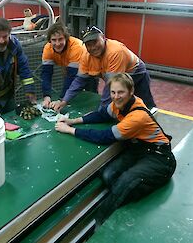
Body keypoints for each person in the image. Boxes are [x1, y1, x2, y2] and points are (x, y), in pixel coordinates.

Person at [55, 73, 176, 224]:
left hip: (160, 158)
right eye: (113, 92)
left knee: (124, 183)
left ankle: (98, 223)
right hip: (139, 150)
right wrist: (73, 121)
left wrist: (70, 130)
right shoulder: (119, 105)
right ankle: (126, 191)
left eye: (121, 92)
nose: (116, 96)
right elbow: (100, 115)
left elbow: (105, 137)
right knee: (108, 175)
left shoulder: (137, 116)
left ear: (131, 91)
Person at [53, 25, 156, 112]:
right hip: (116, 77)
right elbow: (79, 81)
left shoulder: (115, 52)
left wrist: (99, 113)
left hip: (137, 74)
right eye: (89, 44)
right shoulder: (86, 56)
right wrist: (64, 100)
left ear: (103, 37)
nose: (92, 47)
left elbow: (112, 85)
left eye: (95, 42)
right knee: (124, 106)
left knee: (145, 107)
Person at [41, 22, 98, 109]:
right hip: (70, 67)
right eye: (54, 40)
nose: (57, 43)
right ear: (49, 40)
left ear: (66, 38)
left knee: (89, 96)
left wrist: (61, 100)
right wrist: (46, 96)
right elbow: (46, 74)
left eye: (60, 39)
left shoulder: (76, 47)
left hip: (91, 70)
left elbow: (72, 76)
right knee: (71, 95)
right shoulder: (47, 48)